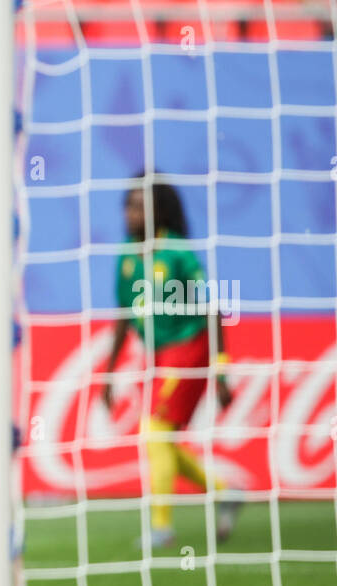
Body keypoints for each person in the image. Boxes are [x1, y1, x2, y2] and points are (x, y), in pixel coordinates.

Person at [102, 179, 241, 549]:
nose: (130, 214)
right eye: (128, 205)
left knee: (155, 433)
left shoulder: (178, 253)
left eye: (139, 206)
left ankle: (162, 527)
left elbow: (214, 307)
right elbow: (123, 314)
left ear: (159, 210)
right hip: (160, 355)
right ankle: (226, 492)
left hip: (189, 347)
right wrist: (108, 373)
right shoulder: (128, 255)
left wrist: (221, 370)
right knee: (160, 440)